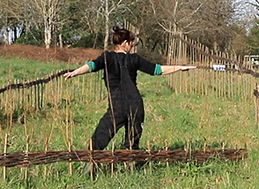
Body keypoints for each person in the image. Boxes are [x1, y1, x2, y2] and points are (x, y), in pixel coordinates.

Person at [64, 26, 196, 174]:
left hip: (117, 106)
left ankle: (91, 164)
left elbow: (91, 66)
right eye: (131, 44)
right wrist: (179, 67)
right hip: (136, 105)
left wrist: (75, 72)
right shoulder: (134, 59)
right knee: (132, 141)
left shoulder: (107, 57)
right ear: (125, 43)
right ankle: (130, 165)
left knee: (100, 136)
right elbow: (157, 69)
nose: (131, 47)